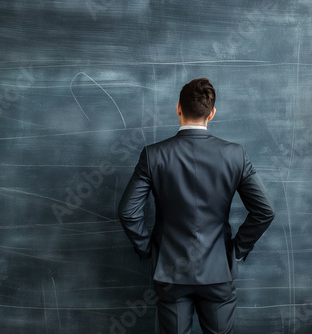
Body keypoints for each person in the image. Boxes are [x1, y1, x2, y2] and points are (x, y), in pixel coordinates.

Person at [118, 78, 275, 334]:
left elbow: (128, 212)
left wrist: (150, 250)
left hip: (170, 272)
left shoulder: (154, 155)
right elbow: (265, 211)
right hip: (218, 270)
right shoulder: (235, 154)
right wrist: (236, 251)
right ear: (212, 113)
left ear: (178, 108)